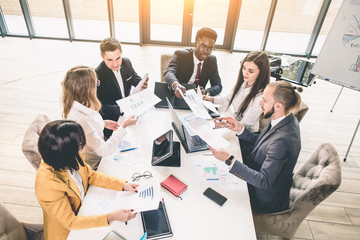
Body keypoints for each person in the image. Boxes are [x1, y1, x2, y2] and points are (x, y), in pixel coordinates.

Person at [210, 81, 303, 214]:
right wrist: (240, 129)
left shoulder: (283, 140)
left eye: (264, 100)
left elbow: (263, 181)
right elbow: (263, 143)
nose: (260, 103)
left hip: (262, 198)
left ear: (278, 106)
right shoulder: (284, 119)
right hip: (257, 172)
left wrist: (229, 160)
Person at [35, 120, 138, 240]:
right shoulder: (48, 185)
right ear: (66, 150)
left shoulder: (70, 155)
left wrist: (122, 184)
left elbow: (90, 175)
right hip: (68, 233)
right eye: (78, 145)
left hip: (86, 208)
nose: (81, 148)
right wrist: (110, 217)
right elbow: (71, 222)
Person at [62, 65, 137, 169]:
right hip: (96, 165)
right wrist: (124, 126)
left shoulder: (78, 104)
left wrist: (103, 123)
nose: (98, 86)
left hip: (99, 155)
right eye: (96, 83)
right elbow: (105, 151)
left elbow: (89, 129)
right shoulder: (82, 120)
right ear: (87, 89)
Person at [203, 51, 270, 132]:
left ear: (261, 73)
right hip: (235, 124)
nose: (245, 73)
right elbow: (228, 98)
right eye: (244, 68)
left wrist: (226, 123)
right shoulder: (243, 83)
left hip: (246, 133)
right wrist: (212, 99)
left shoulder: (261, 96)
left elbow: (245, 124)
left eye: (251, 71)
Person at [95, 37, 148, 137]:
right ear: (102, 56)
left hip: (130, 109)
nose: (115, 64)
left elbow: (134, 78)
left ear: (121, 53)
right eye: (110, 60)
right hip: (113, 120)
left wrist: (141, 83)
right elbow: (98, 107)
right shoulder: (97, 75)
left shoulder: (126, 62)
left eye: (118, 58)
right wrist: (121, 108)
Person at [164, 27, 222, 98]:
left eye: (210, 48)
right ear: (196, 44)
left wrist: (206, 91)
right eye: (203, 46)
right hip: (177, 95)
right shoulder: (180, 55)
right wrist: (176, 85)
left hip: (195, 100)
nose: (206, 51)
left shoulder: (212, 60)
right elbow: (169, 72)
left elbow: (218, 85)